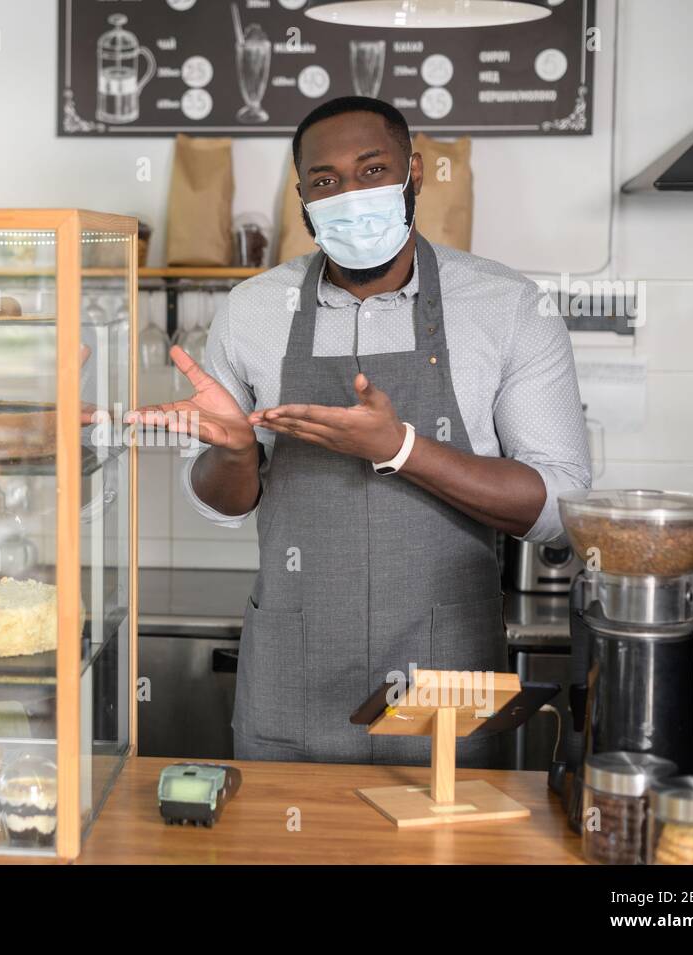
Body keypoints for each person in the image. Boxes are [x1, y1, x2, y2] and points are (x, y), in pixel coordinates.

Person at [129, 96, 591, 764]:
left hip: (446, 675)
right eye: (326, 181)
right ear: (302, 199)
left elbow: (560, 508)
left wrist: (400, 447)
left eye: (373, 170)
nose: (350, 194)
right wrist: (231, 453)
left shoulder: (508, 307)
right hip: (295, 668)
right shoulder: (253, 312)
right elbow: (225, 500)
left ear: (416, 173)